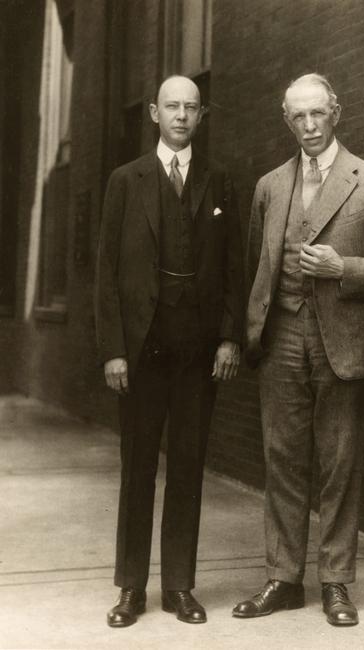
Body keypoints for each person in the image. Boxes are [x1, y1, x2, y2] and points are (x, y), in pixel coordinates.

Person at [233, 73, 364, 626]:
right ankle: (283, 579)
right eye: (297, 117)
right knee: (283, 459)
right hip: (283, 336)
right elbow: (254, 268)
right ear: (285, 119)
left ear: (336, 111)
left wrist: (345, 268)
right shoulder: (270, 186)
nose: (309, 126)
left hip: (344, 340)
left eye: (318, 114)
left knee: (339, 462)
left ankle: (336, 581)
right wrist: (253, 331)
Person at [95, 75, 244, 627]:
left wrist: (230, 336)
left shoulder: (220, 180)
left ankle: (180, 584)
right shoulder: (125, 181)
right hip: (141, 350)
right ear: (154, 113)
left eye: (191, 107)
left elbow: (234, 269)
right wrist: (113, 350)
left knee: (187, 463)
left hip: (198, 351)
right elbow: (106, 273)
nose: (181, 115)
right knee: (137, 467)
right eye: (171, 107)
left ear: (202, 116)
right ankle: (131, 587)